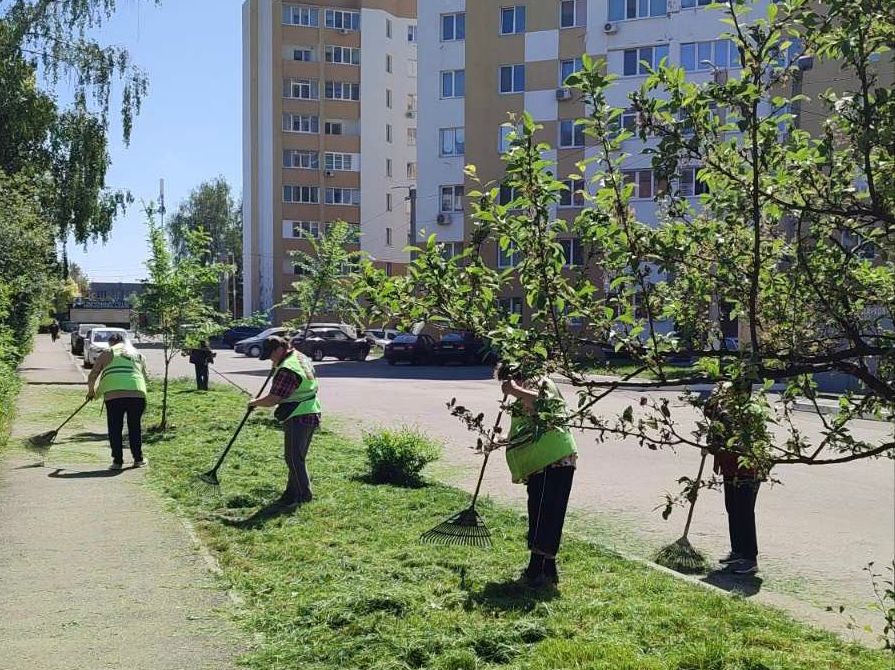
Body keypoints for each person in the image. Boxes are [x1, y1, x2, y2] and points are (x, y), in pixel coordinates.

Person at [496, 364, 578, 588]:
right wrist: (500, 440)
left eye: (506, 382)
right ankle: (547, 570)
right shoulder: (525, 393)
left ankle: (536, 571)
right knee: (545, 513)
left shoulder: (539, 383)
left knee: (545, 513)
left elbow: (544, 405)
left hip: (553, 460)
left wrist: (514, 390)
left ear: (514, 377)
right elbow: (525, 429)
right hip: (547, 460)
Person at [248, 336, 321, 509]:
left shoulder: (287, 369)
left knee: (293, 458)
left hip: (299, 415)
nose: (270, 360)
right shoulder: (298, 356)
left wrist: (254, 402)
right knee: (296, 458)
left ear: (279, 349)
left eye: (271, 356)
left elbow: (273, 399)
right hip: (311, 410)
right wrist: (276, 365)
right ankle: (291, 493)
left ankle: (303, 496)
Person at [704, 381, 764, 575]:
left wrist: (720, 412)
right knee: (733, 508)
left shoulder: (748, 412)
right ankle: (738, 551)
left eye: (728, 394)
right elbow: (709, 413)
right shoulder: (724, 411)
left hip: (747, 470)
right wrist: (713, 400)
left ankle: (750, 557)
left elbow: (733, 432)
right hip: (730, 468)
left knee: (745, 511)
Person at [86, 332, 148, 470]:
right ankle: (138, 459)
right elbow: (145, 376)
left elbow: (93, 375)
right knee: (134, 428)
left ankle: (117, 462)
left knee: (115, 428)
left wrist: (91, 392)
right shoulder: (137, 354)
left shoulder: (107, 352)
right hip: (137, 394)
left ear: (111, 343)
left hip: (114, 396)